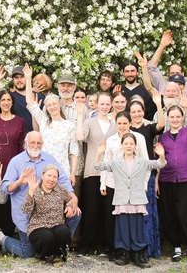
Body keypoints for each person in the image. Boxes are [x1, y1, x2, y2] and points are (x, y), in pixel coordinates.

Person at [0, 132, 81, 258]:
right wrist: (20, 181)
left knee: (75, 214)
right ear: (26, 144)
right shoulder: (16, 161)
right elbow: (5, 188)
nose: (35, 146)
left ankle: (58, 247)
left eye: (39, 143)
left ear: (42, 144)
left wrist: (73, 196)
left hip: (49, 213)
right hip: (26, 215)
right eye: (32, 142)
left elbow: (63, 179)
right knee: (29, 253)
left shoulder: (49, 158)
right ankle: (2, 239)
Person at [94, 135, 168, 268]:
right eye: (126, 143)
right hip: (122, 199)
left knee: (137, 227)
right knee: (122, 227)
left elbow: (159, 164)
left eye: (131, 144)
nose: (128, 146)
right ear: (122, 145)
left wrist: (161, 155)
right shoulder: (116, 162)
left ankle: (138, 254)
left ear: (135, 146)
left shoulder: (142, 161)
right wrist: (99, 153)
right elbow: (98, 166)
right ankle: (124, 253)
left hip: (137, 199)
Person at [157, 91, 187, 262]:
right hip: (168, 179)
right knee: (170, 213)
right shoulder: (163, 137)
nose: (175, 119)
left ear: (182, 117)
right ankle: (176, 246)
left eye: (178, 116)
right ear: (168, 118)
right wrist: (157, 181)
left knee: (184, 212)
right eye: (172, 117)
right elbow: (159, 161)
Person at [100, 111, 149, 261]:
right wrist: (103, 183)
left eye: (125, 123)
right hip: (114, 184)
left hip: (134, 185)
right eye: (119, 123)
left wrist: (144, 184)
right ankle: (121, 250)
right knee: (119, 219)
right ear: (116, 124)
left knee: (135, 218)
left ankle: (137, 250)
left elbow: (145, 163)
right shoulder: (111, 140)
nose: (122, 126)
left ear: (130, 123)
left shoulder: (138, 138)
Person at [127, 83, 165, 258]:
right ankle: (133, 246)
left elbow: (161, 124)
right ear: (130, 113)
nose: (136, 114)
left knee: (147, 212)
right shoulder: (126, 131)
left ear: (143, 111)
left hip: (147, 175)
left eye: (139, 111)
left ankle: (148, 248)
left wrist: (158, 104)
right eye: (133, 112)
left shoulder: (148, 127)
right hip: (129, 175)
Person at [76, 91, 117, 255]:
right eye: (102, 104)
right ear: (97, 104)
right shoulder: (90, 122)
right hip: (93, 170)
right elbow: (80, 136)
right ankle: (87, 243)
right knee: (92, 208)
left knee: (107, 210)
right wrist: (80, 116)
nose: (105, 107)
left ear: (111, 105)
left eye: (108, 104)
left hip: (110, 172)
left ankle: (104, 244)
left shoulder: (115, 125)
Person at [25, 64, 78, 184]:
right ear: (47, 108)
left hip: (63, 171)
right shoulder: (44, 122)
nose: (52, 107)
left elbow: (74, 152)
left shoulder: (70, 126)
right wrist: (28, 79)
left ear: (59, 105)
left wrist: (73, 173)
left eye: (54, 104)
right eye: (49, 105)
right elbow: (29, 102)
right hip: (44, 170)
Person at [21, 165, 73, 266]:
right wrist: (31, 192)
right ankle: (42, 256)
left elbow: (69, 201)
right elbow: (26, 210)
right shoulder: (35, 189)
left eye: (55, 177)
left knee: (64, 231)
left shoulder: (61, 190)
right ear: (42, 175)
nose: (51, 179)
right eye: (49, 175)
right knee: (47, 236)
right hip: (39, 226)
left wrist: (70, 207)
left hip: (57, 224)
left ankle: (58, 256)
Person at [0, 65, 43, 133]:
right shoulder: (10, 97)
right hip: (17, 137)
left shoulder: (37, 95)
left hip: (35, 137)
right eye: (16, 78)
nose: (19, 80)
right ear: (13, 80)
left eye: (22, 77)